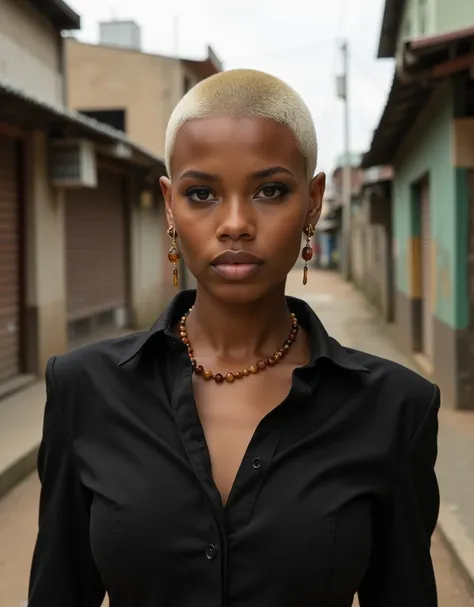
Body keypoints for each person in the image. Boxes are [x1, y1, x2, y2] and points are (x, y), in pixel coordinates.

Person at [28, 69, 440, 607]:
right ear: (170, 204)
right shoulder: (84, 390)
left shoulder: (394, 408)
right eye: (202, 193)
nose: (236, 223)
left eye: (271, 190)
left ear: (313, 201)